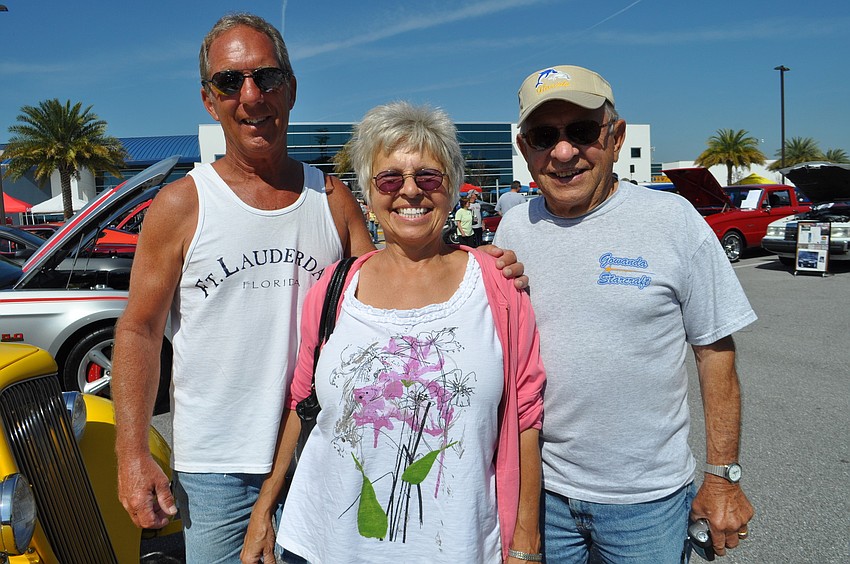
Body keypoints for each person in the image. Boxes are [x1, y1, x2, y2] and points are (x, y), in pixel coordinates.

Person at [111, 14, 526, 563]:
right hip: (217, 468)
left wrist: (473, 262)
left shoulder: (330, 199)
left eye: (266, 77)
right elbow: (139, 330)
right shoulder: (183, 204)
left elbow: (395, 280)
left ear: (291, 89)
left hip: (322, 451)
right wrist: (131, 452)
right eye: (230, 82)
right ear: (209, 100)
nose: (251, 96)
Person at [243, 101, 545, 564]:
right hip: (330, 547)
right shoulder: (335, 287)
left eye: (428, 177)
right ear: (368, 194)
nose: (410, 191)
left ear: (450, 188)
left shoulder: (498, 287)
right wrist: (264, 509)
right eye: (389, 179)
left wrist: (525, 540)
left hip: (458, 548)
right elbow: (300, 404)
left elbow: (526, 416)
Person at [494, 65, 756, 563]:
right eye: (545, 136)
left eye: (582, 131)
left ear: (616, 138)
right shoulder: (512, 230)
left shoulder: (673, 221)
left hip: (647, 504)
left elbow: (715, 353)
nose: (564, 152)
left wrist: (723, 477)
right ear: (526, 148)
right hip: (540, 493)